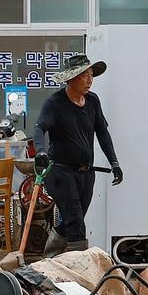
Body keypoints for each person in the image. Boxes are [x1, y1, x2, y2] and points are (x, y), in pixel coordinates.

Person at [34, 53, 122, 256]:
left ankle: (49, 257)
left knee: (75, 218)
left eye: (91, 75)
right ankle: (81, 272)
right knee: (76, 225)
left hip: (86, 174)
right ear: (71, 78)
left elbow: (102, 132)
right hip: (61, 173)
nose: (90, 80)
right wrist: (40, 151)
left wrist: (114, 162)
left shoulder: (92, 101)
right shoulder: (55, 103)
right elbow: (39, 128)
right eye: (84, 76)